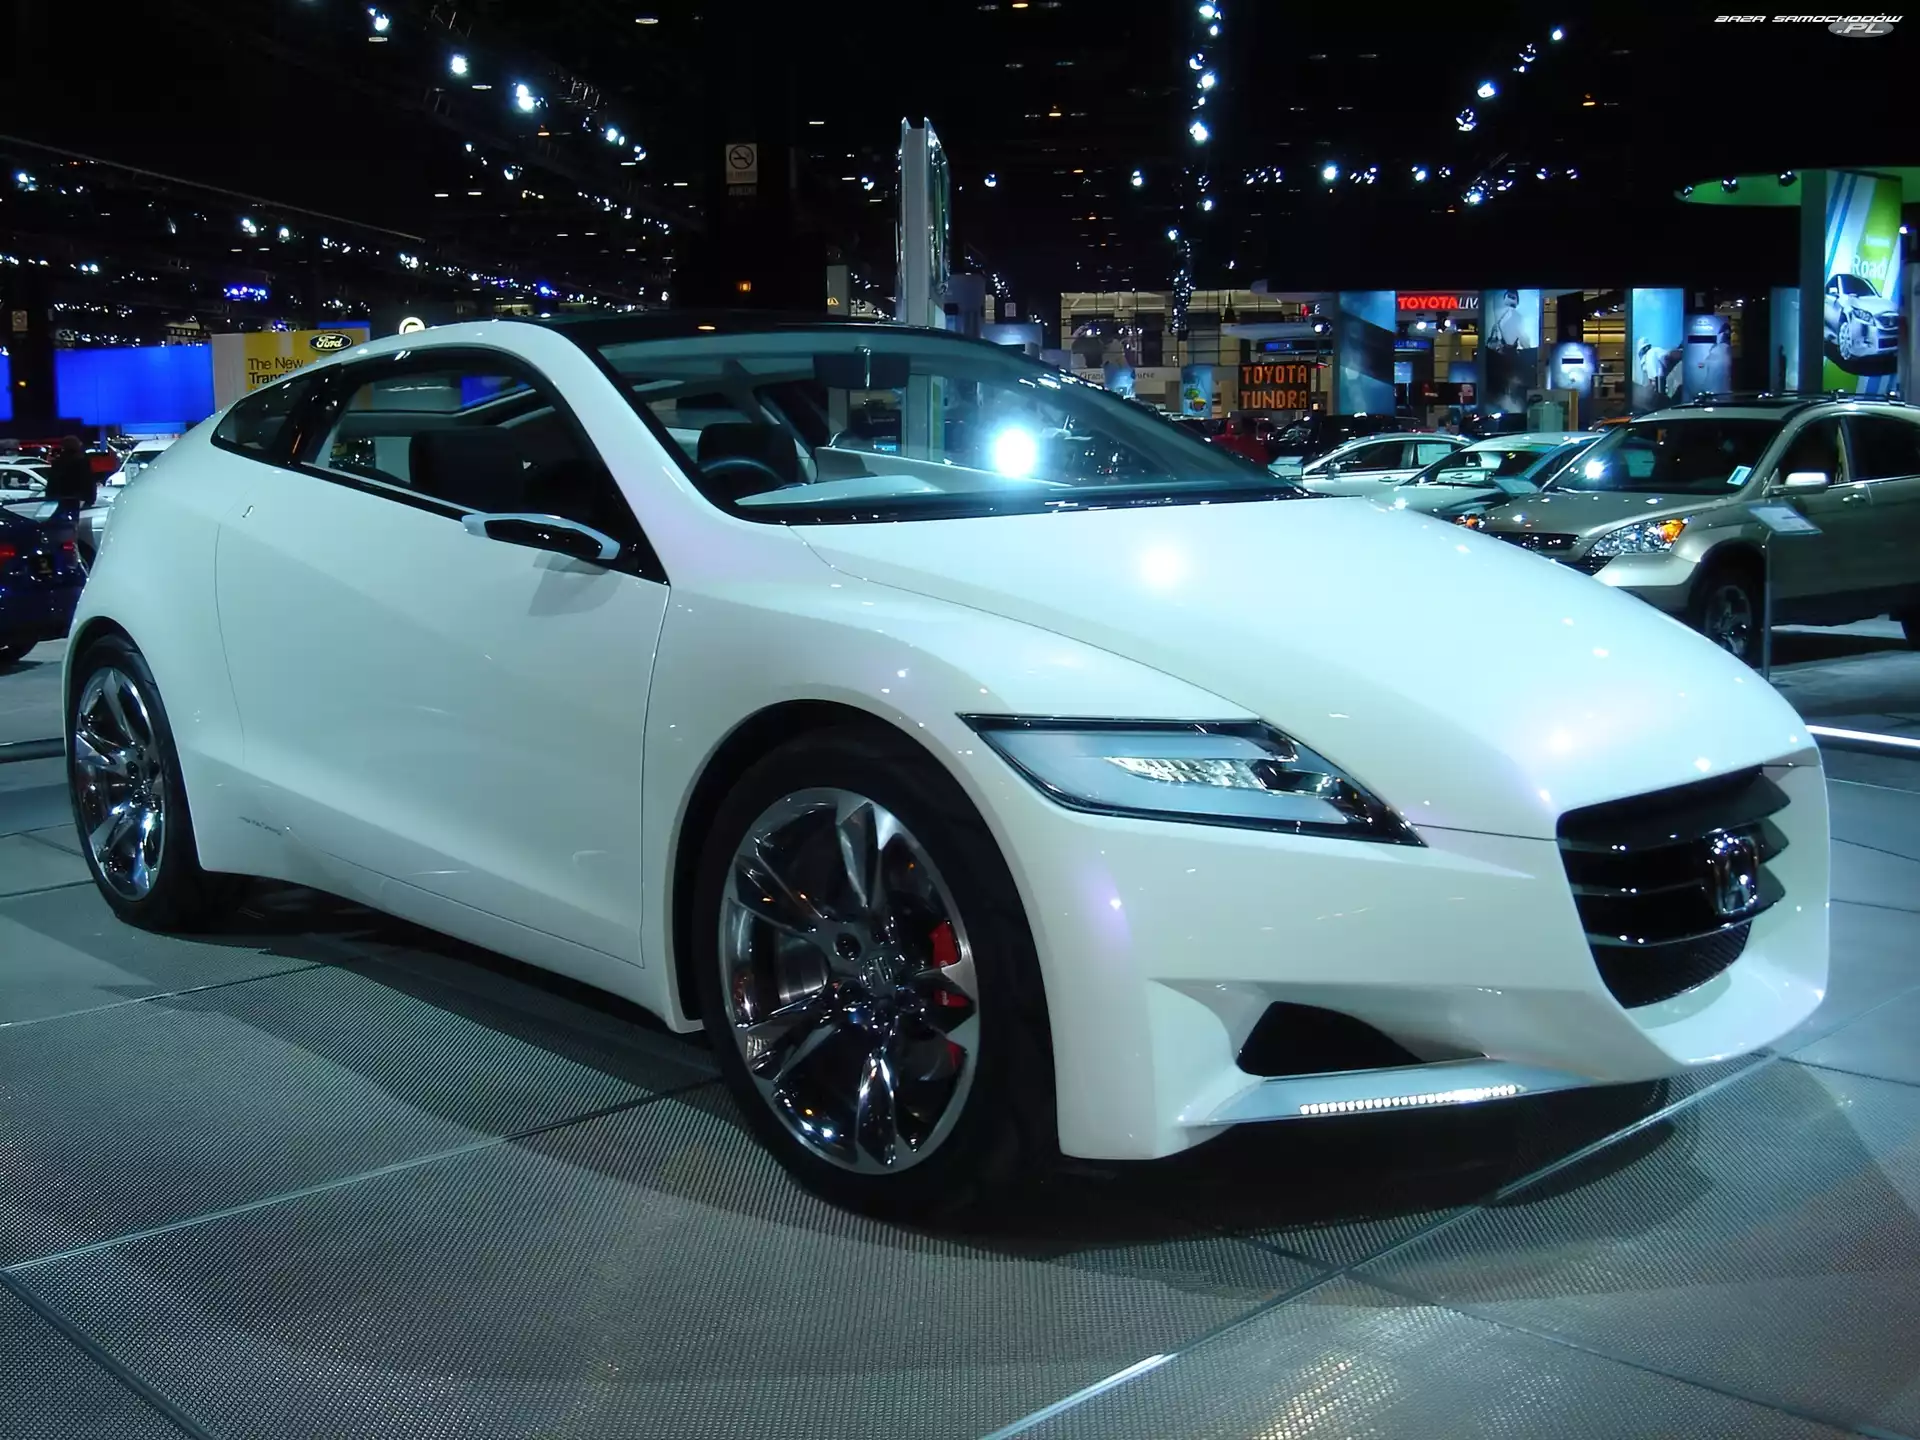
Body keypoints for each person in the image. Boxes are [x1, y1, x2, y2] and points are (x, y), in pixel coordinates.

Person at [44, 436, 97, 522]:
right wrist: (90, 498)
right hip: (78, 499)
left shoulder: (59, 462)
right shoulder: (82, 461)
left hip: (62, 498)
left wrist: (49, 495)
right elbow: (88, 481)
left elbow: (53, 481)